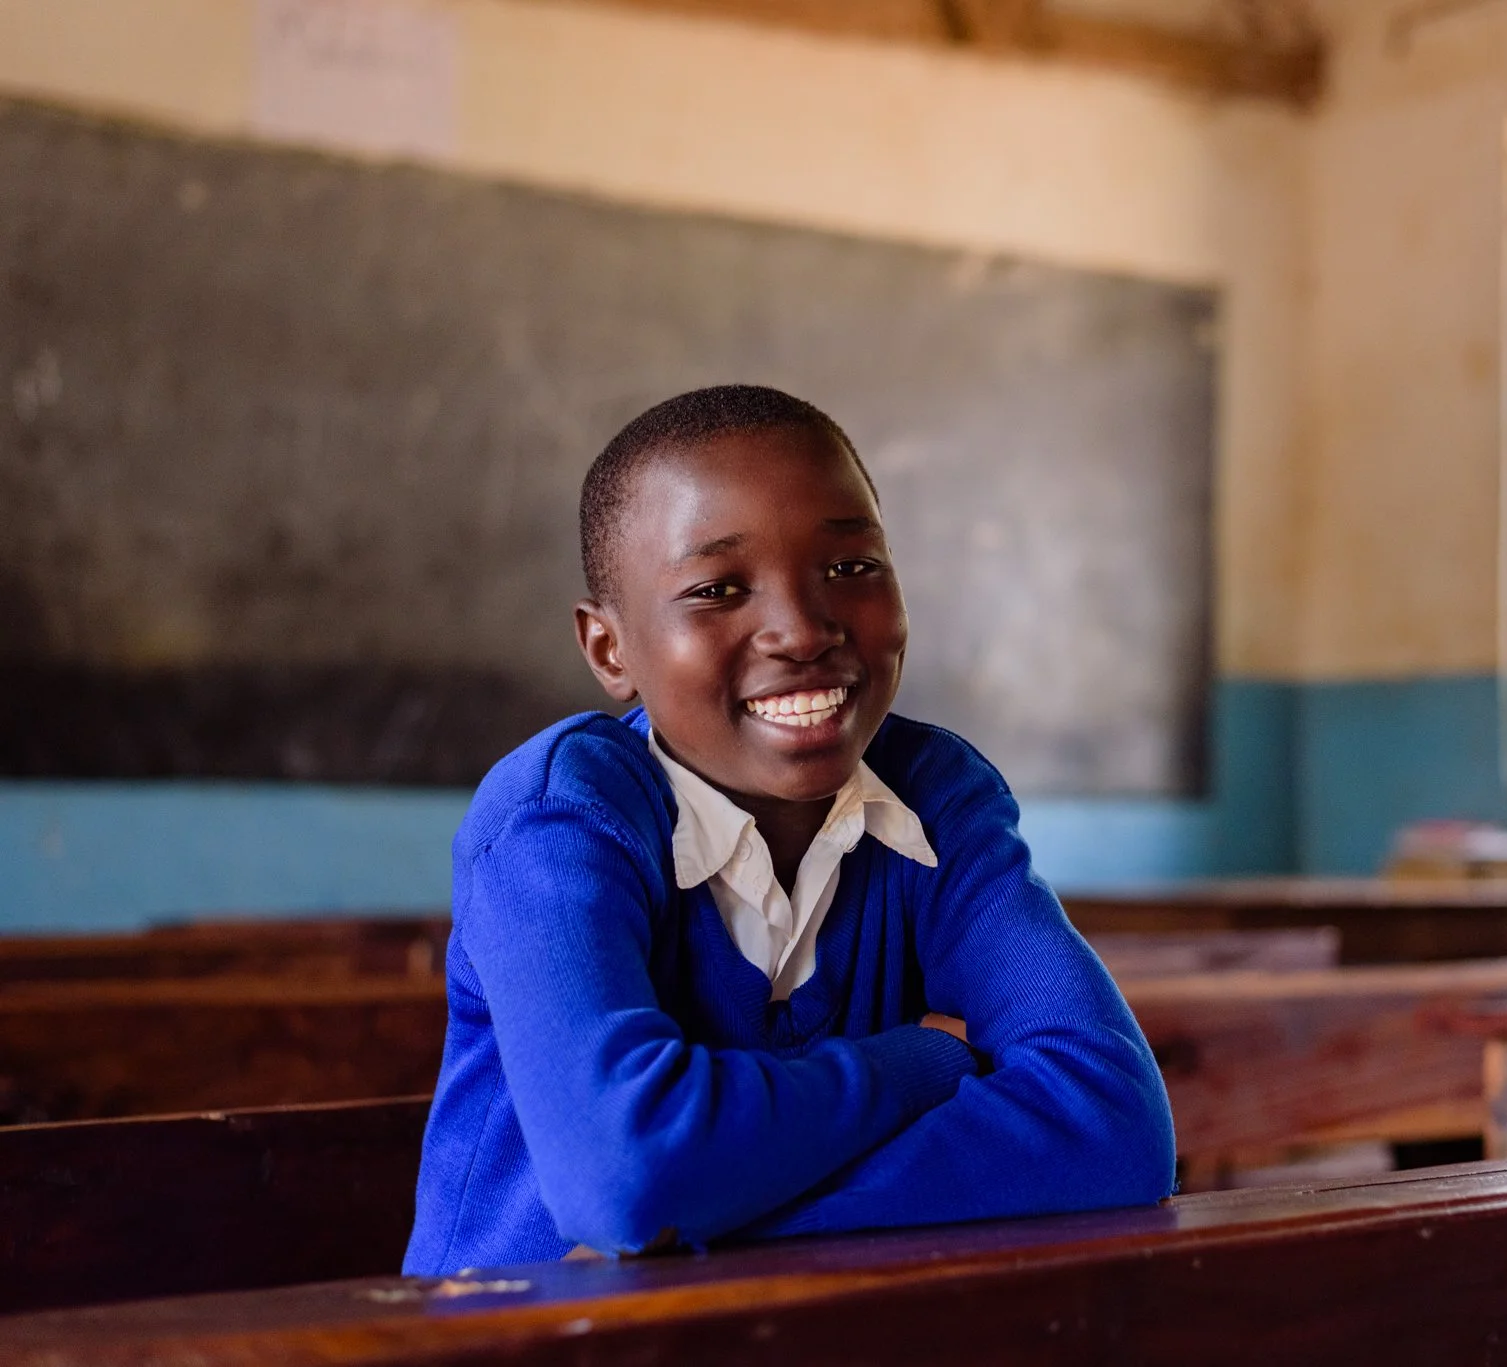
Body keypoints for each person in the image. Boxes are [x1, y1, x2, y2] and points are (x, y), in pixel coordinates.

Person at [404, 384, 1175, 1274]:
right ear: (610, 650)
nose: (804, 631)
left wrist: (701, 1217)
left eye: (850, 569)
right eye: (718, 588)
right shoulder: (559, 818)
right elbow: (626, 1170)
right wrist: (921, 1061)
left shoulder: (937, 796)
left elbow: (1115, 1125)